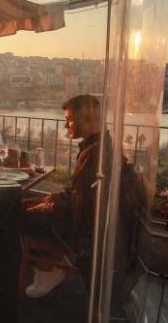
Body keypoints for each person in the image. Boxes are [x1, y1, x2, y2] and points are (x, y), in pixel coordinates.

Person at [22, 94, 110, 298]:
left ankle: (47, 269)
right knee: (27, 204)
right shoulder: (97, 146)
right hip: (81, 216)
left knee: (19, 212)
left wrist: (52, 205)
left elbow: (82, 202)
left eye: (69, 120)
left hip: (79, 224)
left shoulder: (94, 153)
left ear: (87, 120)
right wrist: (55, 198)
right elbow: (82, 192)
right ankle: (51, 264)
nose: (65, 125)